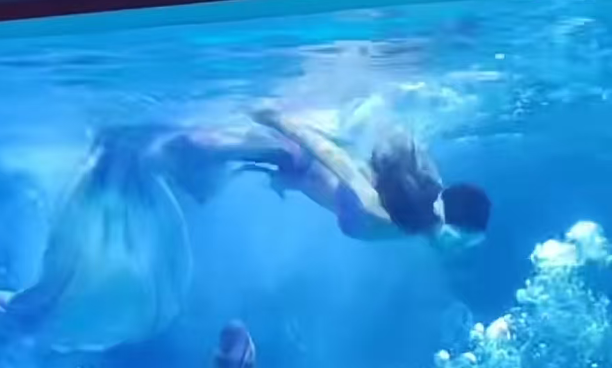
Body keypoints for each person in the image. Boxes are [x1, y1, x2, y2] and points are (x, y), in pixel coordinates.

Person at [156, 109, 491, 252]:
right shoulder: (383, 210)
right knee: (210, 148)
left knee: (224, 158)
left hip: (313, 176)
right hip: (308, 165)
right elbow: (334, 157)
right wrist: (278, 120)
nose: (456, 251)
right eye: (459, 240)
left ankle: (179, 158)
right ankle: (167, 152)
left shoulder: (423, 198)